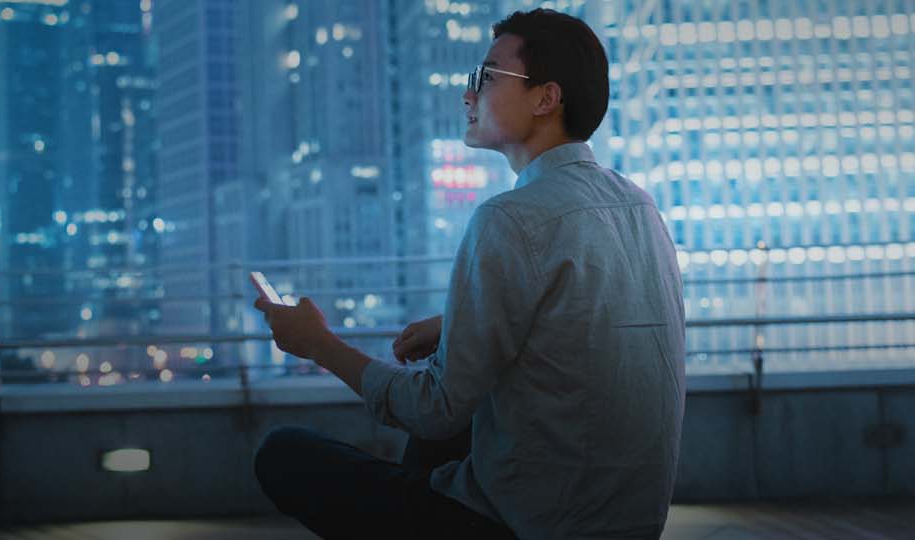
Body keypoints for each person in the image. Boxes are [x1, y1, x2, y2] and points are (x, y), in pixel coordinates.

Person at [252, 8, 686, 540]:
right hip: (628, 523)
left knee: (283, 454)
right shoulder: (639, 206)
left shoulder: (510, 218)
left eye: (485, 77)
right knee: (455, 395)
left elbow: (434, 411)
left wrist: (317, 344)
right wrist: (457, 323)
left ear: (546, 99)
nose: (467, 94)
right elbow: (588, 323)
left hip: (530, 525)